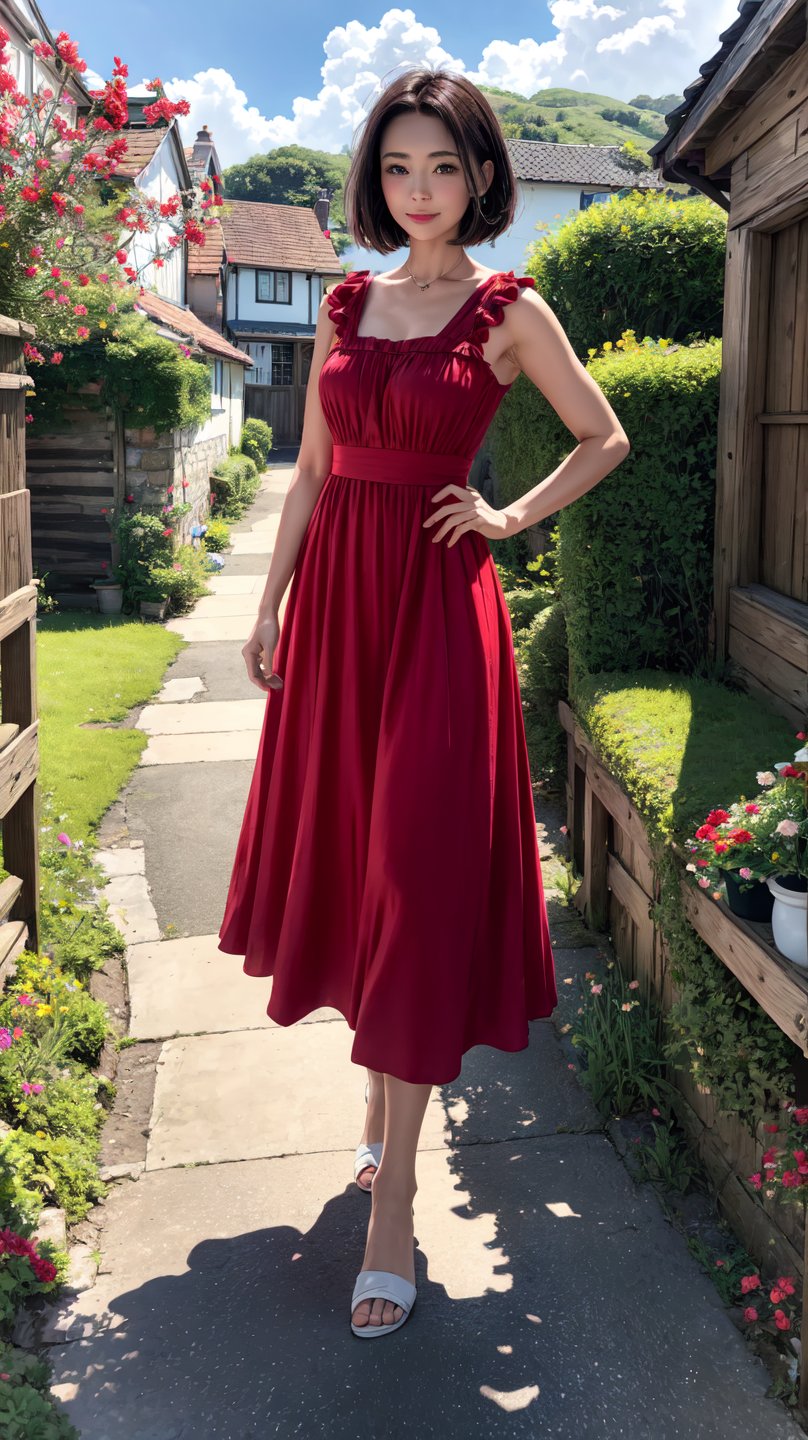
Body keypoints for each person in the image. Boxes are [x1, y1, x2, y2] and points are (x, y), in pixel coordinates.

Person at [217, 64, 631, 1339]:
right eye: (398, 168)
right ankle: (380, 1115)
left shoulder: (509, 308)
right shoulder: (346, 302)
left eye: (443, 168)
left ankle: (394, 1195)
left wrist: (505, 516)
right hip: (338, 613)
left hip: (439, 618)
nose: (419, 192)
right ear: (373, 177)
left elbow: (602, 434)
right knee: (355, 862)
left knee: (414, 866)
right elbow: (311, 471)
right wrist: (271, 602)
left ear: (483, 176)